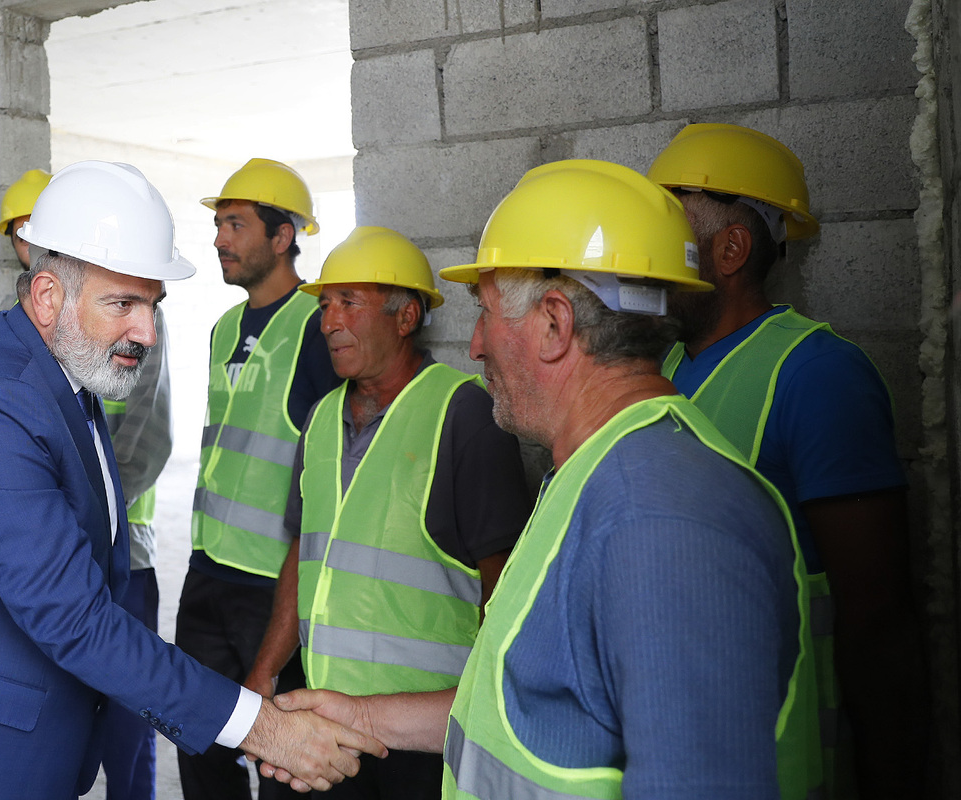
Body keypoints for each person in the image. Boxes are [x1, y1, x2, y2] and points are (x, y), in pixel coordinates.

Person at [0, 161, 384, 800]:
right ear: (48, 296)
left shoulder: (68, 379)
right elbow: (73, 618)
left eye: (153, 305)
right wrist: (262, 728)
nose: (147, 332)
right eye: (123, 304)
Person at [263, 160, 824, 799]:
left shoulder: (661, 520)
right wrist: (362, 718)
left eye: (485, 313)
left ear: (555, 323)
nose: (475, 344)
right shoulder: (595, 473)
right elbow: (528, 707)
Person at [647, 123, 926, 799]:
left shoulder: (818, 375)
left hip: (780, 766)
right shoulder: (665, 367)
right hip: (682, 750)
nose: (648, 252)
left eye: (668, 229)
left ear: (731, 249)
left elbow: (877, 620)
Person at [244, 226, 532, 799]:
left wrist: (488, 716)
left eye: (349, 302)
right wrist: (264, 671)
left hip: (421, 738)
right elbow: (304, 553)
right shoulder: (320, 418)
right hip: (326, 723)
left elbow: (503, 587)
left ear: (406, 318)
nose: (329, 322)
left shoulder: (464, 414)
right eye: (325, 305)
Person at [0, 168, 175, 800]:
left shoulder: (129, 326)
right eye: (20, 234)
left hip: (124, 555)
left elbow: (150, 436)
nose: (30, 244)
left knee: (128, 713)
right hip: (57, 556)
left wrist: (91, 515)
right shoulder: (18, 338)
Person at [176, 158, 342, 800]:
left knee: (279, 760)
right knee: (197, 739)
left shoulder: (317, 325)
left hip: (273, 583)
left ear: (282, 237)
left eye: (236, 225)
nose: (220, 238)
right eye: (219, 224)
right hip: (207, 567)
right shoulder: (224, 329)